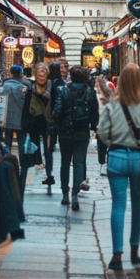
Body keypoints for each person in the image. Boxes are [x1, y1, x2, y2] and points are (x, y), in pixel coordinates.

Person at [98, 63, 140, 271]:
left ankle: (117, 254)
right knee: (138, 204)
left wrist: (112, 144)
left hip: (116, 157)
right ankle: (135, 250)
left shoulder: (111, 105)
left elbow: (101, 132)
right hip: (137, 159)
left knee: (118, 205)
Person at [52, 66, 99, 210]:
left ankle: (65, 194)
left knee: (65, 162)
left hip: (65, 131)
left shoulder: (63, 90)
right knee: (78, 162)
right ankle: (75, 194)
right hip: (82, 131)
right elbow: (94, 113)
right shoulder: (90, 91)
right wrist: (93, 127)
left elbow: (56, 112)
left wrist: (57, 122)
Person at [18, 62, 53, 199]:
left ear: (47, 73)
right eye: (39, 71)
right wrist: (24, 126)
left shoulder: (52, 87)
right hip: (34, 122)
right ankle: (33, 170)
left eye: (44, 71)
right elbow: (26, 108)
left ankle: (49, 174)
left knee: (48, 150)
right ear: (35, 74)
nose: (41, 74)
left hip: (48, 122)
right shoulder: (30, 88)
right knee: (34, 147)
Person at [42, 61, 65, 186]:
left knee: (48, 150)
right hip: (61, 120)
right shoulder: (62, 83)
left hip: (49, 119)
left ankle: (49, 174)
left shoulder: (49, 84)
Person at [0, 65, 28, 153]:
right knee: (21, 143)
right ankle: (23, 165)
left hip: (7, 119)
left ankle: (9, 161)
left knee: (7, 143)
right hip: (20, 120)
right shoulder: (23, 87)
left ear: (11, 74)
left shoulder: (4, 87)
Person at [95, 76, 116, 176]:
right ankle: (103, 163)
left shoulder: (109, 88)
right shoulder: (95, 92)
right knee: (101, 144)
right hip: (100, 122)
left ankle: (107, 164)